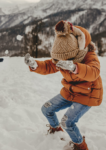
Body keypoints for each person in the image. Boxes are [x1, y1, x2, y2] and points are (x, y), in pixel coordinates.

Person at [24, 22, 103, 150]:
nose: (61, 62)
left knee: (67, 122)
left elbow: (93, 72)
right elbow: (50, 65)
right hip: (70, 91)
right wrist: (35, 65)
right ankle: (56, 131)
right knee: (46, 109)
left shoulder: (89, 55)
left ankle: (80, 146)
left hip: (87, 94)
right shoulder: (61, 56)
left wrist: (75, 67)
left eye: (65, 60)